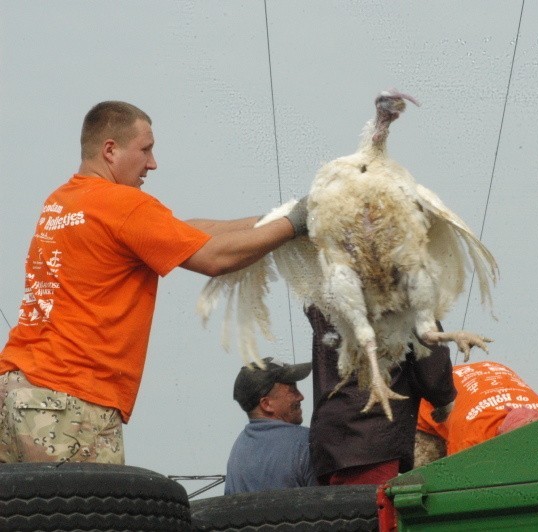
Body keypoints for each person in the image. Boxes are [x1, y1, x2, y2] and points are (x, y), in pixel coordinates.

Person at [0, 101, 308, 464]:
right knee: (87, 517)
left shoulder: (64, 201)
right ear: (110, 150)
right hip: (70, 400)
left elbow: (187, 232)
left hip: (16, 389)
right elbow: (215, 257)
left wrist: (277, 217)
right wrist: (297, 224)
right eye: (145, 149)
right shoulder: (122, 204)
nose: (153, 163)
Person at [305, 305, 456, 486]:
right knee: (372, 511)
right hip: (373, 435)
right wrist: (444, 399)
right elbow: (430, 360)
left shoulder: (325, 283)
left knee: (342, 512)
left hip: (329, 436)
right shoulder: (403, 280)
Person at [414, 361, 538, 467]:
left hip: (492, 372)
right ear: (498, 438)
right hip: (435, 395)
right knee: (430, 478)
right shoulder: (470, 440)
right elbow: (457, 482)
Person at [224, 357, 317, 493]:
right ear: (266, 404)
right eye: (292, 390)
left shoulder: (238, 451)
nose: (300, 396)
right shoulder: (306, 443)